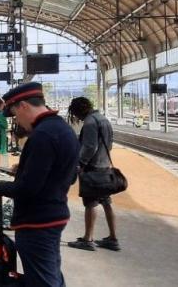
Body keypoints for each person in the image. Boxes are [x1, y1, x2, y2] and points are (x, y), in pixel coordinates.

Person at [0, 82, 79, 287]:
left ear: (23, 106)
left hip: (37, 222)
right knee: (51, 277)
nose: (17, 121)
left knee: (42, 282)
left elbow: (28, 189)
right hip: (53, 215)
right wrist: (26, 168)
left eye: (15, 114)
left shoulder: (42, 135)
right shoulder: (62, 129)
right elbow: (69, 175)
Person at [66, 97, 120, 252]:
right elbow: (109, 144)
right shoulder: (103, 119)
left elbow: (90, 146)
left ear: (80, 110)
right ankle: (113, 238)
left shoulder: (90, 122)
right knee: (106, 202)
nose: (77, 118)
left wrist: (81, 164)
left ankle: (87, 239)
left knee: (90, 203)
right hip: (105, 166)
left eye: (76, 114)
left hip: (92, 168)